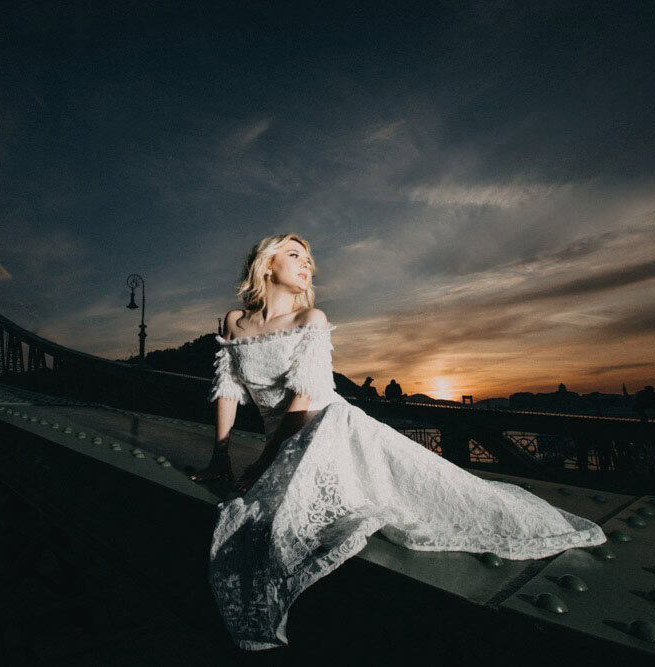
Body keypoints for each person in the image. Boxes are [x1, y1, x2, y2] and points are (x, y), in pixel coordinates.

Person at [194, 233, 607, 651]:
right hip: (285, 439)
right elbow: (227, 389)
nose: (309, 266)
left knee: (431, 495)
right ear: (267, 264)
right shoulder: (233, 323)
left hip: (326, 427)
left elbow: (303, 399)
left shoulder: (311, 320)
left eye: (311, 261)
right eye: (297, 256)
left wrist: (268, 461)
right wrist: (221, 454)